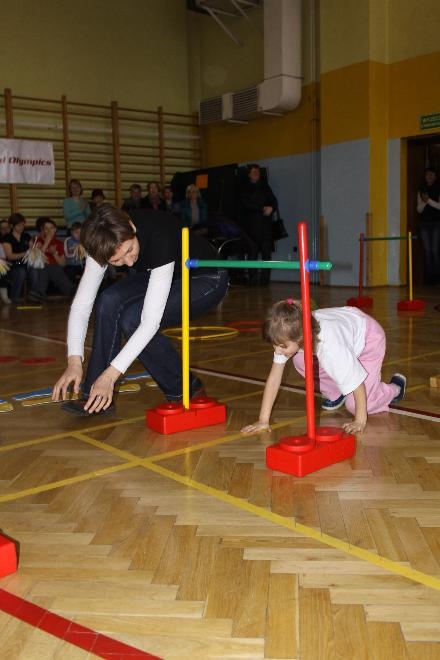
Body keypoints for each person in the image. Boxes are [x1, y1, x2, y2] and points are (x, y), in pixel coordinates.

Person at [52, 203, 228, 416]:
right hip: (160, 273)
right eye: (116, 261)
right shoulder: (100, 241)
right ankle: (96, 397)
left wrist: (111, 375)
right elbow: (81, 305)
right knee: (109, 299)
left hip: (205, 277)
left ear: (132, 228)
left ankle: (186, 388)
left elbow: (150, 321)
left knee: (133, 319)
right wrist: (73, 361)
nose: (128, 262)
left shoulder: (159, 236)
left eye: (129, 250)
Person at [241, 299, 406, 436]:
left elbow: (357, 383)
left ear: (301, 337)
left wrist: (360, 420)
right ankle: (337, 393)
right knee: (300, 360)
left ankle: (395, 389)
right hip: (345, 328)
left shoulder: (331, 348)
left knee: (355, 406)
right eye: (275, 345)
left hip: (368, 339)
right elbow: (274, 379)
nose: (277, 351)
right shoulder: (287, 334)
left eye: (282, 346)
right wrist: (263, 420)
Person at [239, 164, 278, 286]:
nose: (256, 174)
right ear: (249, 174)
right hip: (251, 227)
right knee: (252, 253)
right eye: (253, 172)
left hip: (265, 226)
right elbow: (245, 203)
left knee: (266, 254)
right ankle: (252, 280)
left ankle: (265, 281)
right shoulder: (244, 187)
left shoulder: (265, 186)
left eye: (258, 172)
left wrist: (272, 208)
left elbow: (274, 201)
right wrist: (261, 208)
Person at [27, 218, 74, 301]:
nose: (49, 231)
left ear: (55, 230)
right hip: (39, 267)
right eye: (46, 228)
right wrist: (47, 242)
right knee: (46, 266)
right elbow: (36, 259)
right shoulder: (37, 241)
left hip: (55, 268)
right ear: (43, 230)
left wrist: (54, 254)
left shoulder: (59, 243)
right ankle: (71, 291)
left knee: (51, 267)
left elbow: (63, 264)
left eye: (51, 228)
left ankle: (39, 293)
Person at [416, 167, 440, 285]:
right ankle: (430, 278)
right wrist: (424, 201)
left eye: (432, 174)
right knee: (427, 251)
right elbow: (418, 210)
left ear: (435, 177)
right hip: (424, 224)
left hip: (436, 223)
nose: (429, 176)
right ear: (425, 176)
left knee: (434, 251)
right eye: (427, 174)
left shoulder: (438, 188)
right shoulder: (421, 189)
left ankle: (437, 277)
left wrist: (428, 200)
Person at [2, 213, 31, 304]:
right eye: (19, 225)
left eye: (23, 225)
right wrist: (25, 253)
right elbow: (10, 256)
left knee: (35, 271)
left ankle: (33, 296)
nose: (22, 227)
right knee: (20, 272)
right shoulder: (7, 238)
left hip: (26, 263)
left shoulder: (26, 236)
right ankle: (15, 297)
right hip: (12, 266)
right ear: (12, 226)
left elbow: (32, 248)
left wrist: (35, 250)